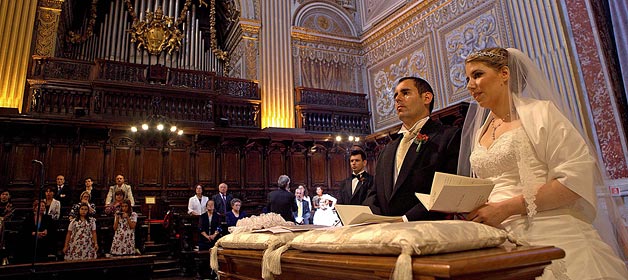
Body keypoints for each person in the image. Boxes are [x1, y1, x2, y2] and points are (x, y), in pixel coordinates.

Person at [459, 47, 628, 279]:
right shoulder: (481, 131)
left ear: (504, 74)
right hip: (495, 238)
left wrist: (507, 208)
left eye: (477, 75)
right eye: (467, 78)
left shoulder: (541, 113)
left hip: (548, 228)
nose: (470, 85)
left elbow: (574, 180)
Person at [363, 77, 461, 221]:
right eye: (396, 95)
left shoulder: (448, 136)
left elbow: (447, 190)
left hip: (426, 228)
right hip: (385, 231)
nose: (397, 99)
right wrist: (376, 219)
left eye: (405, 93)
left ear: (426, 97)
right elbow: (373, 193)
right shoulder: (387, 150)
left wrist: (405, 219)